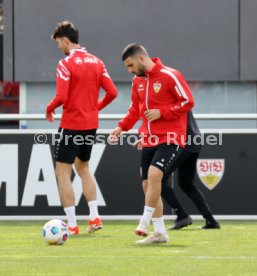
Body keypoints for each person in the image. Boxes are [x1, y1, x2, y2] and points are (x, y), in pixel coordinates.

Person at [110, 44, 194, 244]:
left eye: (130, 65)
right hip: (148, 139)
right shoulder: (137, 82)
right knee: (148, 185)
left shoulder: (170, 75)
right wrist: (121, 128)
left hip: (171, 137)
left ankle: (144, 222)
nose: (129, 70)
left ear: (141, 58)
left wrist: (162, 112)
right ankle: (160, 233)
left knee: (155, 175)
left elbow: (188, 101)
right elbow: (135, 110)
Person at [45, 21, 118, 235]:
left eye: (59, 42)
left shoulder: (65, 63)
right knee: (84, 168)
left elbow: (61, 97)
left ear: (65, 40)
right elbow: (112, 92)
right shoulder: (97, 62)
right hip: (90, 125)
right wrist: (96, 108)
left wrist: (49, 109)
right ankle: (94, 217)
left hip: (71, 125)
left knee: (62, 172)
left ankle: (72, 224)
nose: (59, 46)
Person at [161, 111, 220, 230]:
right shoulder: (180, 98)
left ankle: (181, 215)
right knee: (186, 183)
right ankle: (210, 220)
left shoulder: (169, 99)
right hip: (194, 141)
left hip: (183, 141)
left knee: (159, 178)